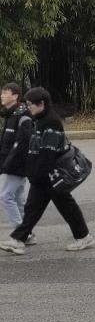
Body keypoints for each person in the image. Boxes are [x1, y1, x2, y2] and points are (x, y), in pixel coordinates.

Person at [0, 87, 93, 255]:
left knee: (65, 207)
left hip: (51, 175)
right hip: (42, 176)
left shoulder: (51, 122)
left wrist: (36, 174)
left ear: (41, 104)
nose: (28, 107)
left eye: (31, 104)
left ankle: (84, 237)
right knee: (33, 209)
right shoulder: (39, 119)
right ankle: (18, 240)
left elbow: (48, 153)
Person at [0, 83, 32, 230]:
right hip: (11, 164)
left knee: (5, 196)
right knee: (18, 199)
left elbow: (22, 144)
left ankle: (21, 233)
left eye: (5, 93)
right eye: (2, 93)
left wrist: (8, 164)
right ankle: (27, 232)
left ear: (15, 96)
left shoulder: (22, 116)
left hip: (18, 165)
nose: (2, 95)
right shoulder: (9, 115)